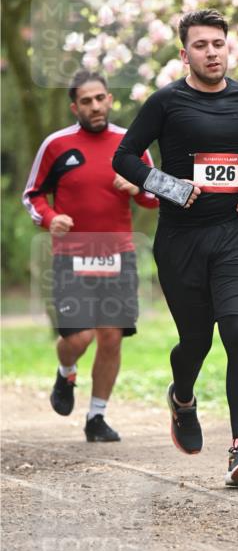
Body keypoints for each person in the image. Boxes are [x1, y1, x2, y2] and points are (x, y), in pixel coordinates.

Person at [112, 8, 238, 488]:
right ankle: (183, 398)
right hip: (181, 240)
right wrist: (168, 186)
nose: (211, 53)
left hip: (236, 234)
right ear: (184, 53)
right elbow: (124, 157)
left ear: (227, 47)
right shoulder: (166, 102)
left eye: (218, 44)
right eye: (201, 46)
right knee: (196, 340)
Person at [22, 71, 159, 442]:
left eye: (100, 98)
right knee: (80, 337)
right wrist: (50, 218)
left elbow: (155, 194)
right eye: (86, 101)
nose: (95, 106)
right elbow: (33, 194)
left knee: (111, 337)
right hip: (72, 257)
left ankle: (97, 418)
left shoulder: (130, 145)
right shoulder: (56, 144)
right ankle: (66, 371)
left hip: (119, 256)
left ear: (109, 100)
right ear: (75, 106)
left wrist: (136, 185)